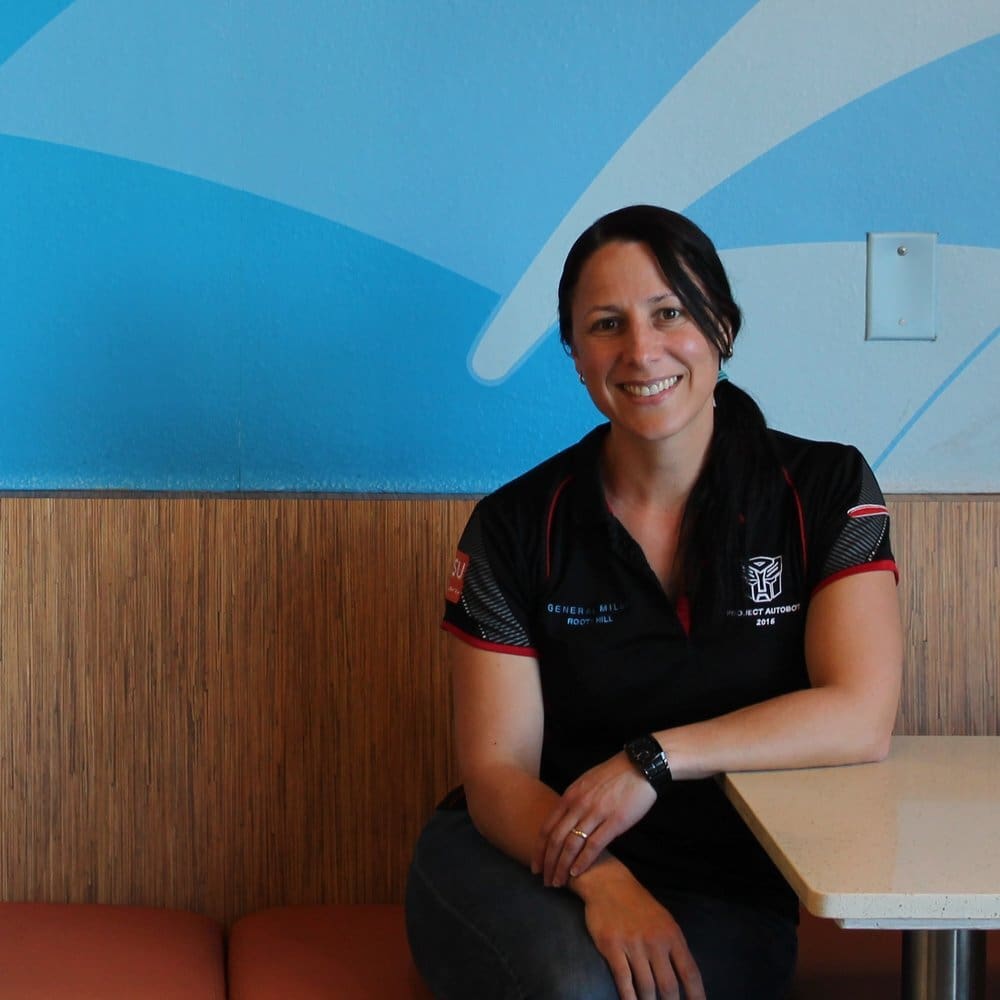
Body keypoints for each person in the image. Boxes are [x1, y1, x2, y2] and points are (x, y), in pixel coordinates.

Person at [405, 205, 902, 1000]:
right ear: (574, 354)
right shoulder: (514, 526)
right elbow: (497, 771)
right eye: (606, 324)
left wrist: (653, 759)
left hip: (729, 888)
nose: (641, 351)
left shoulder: (826, 488)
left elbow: (860, 715)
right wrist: (605, 882)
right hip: (530, 856)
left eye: (669, 313)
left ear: (723, 327)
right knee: (577, 986)